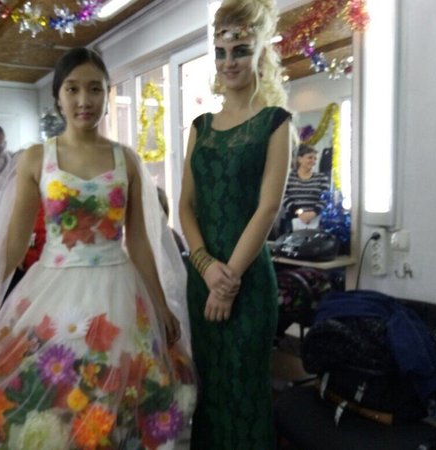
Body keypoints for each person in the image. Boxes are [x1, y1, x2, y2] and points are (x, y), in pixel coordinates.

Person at [0, 47, 196, 449]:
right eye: (72, 89)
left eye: (94, 89)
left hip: (120, 293)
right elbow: (13, 245)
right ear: (58, 97)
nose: (84, 100)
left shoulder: (126, 160)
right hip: (51, 292)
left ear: (107, 94)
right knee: (50, 401)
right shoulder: (37, 159)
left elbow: (140, 242)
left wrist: (161, 305)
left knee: (116, 410)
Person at [178, 0, 292, 448]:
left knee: (245, 392)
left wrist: (227, 284)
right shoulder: (200, 127)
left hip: (248, 285)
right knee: (209, 390)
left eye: (241, 50)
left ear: (260, 51)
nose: (229, 62)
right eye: (222, 52)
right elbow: (185, 205)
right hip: (202, 278)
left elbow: (268, 209)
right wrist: (206, 268)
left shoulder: (274, 123)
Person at [282, 143, 330, 231]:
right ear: (299, 159)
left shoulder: (321, 178)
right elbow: (283, 197)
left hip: (316, 220)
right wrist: (300, 213)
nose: (313, 161)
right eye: (310, 157)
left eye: (315, 159)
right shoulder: (288, 178)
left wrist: (313, 213)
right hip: (293, 220)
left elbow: (325, 198)